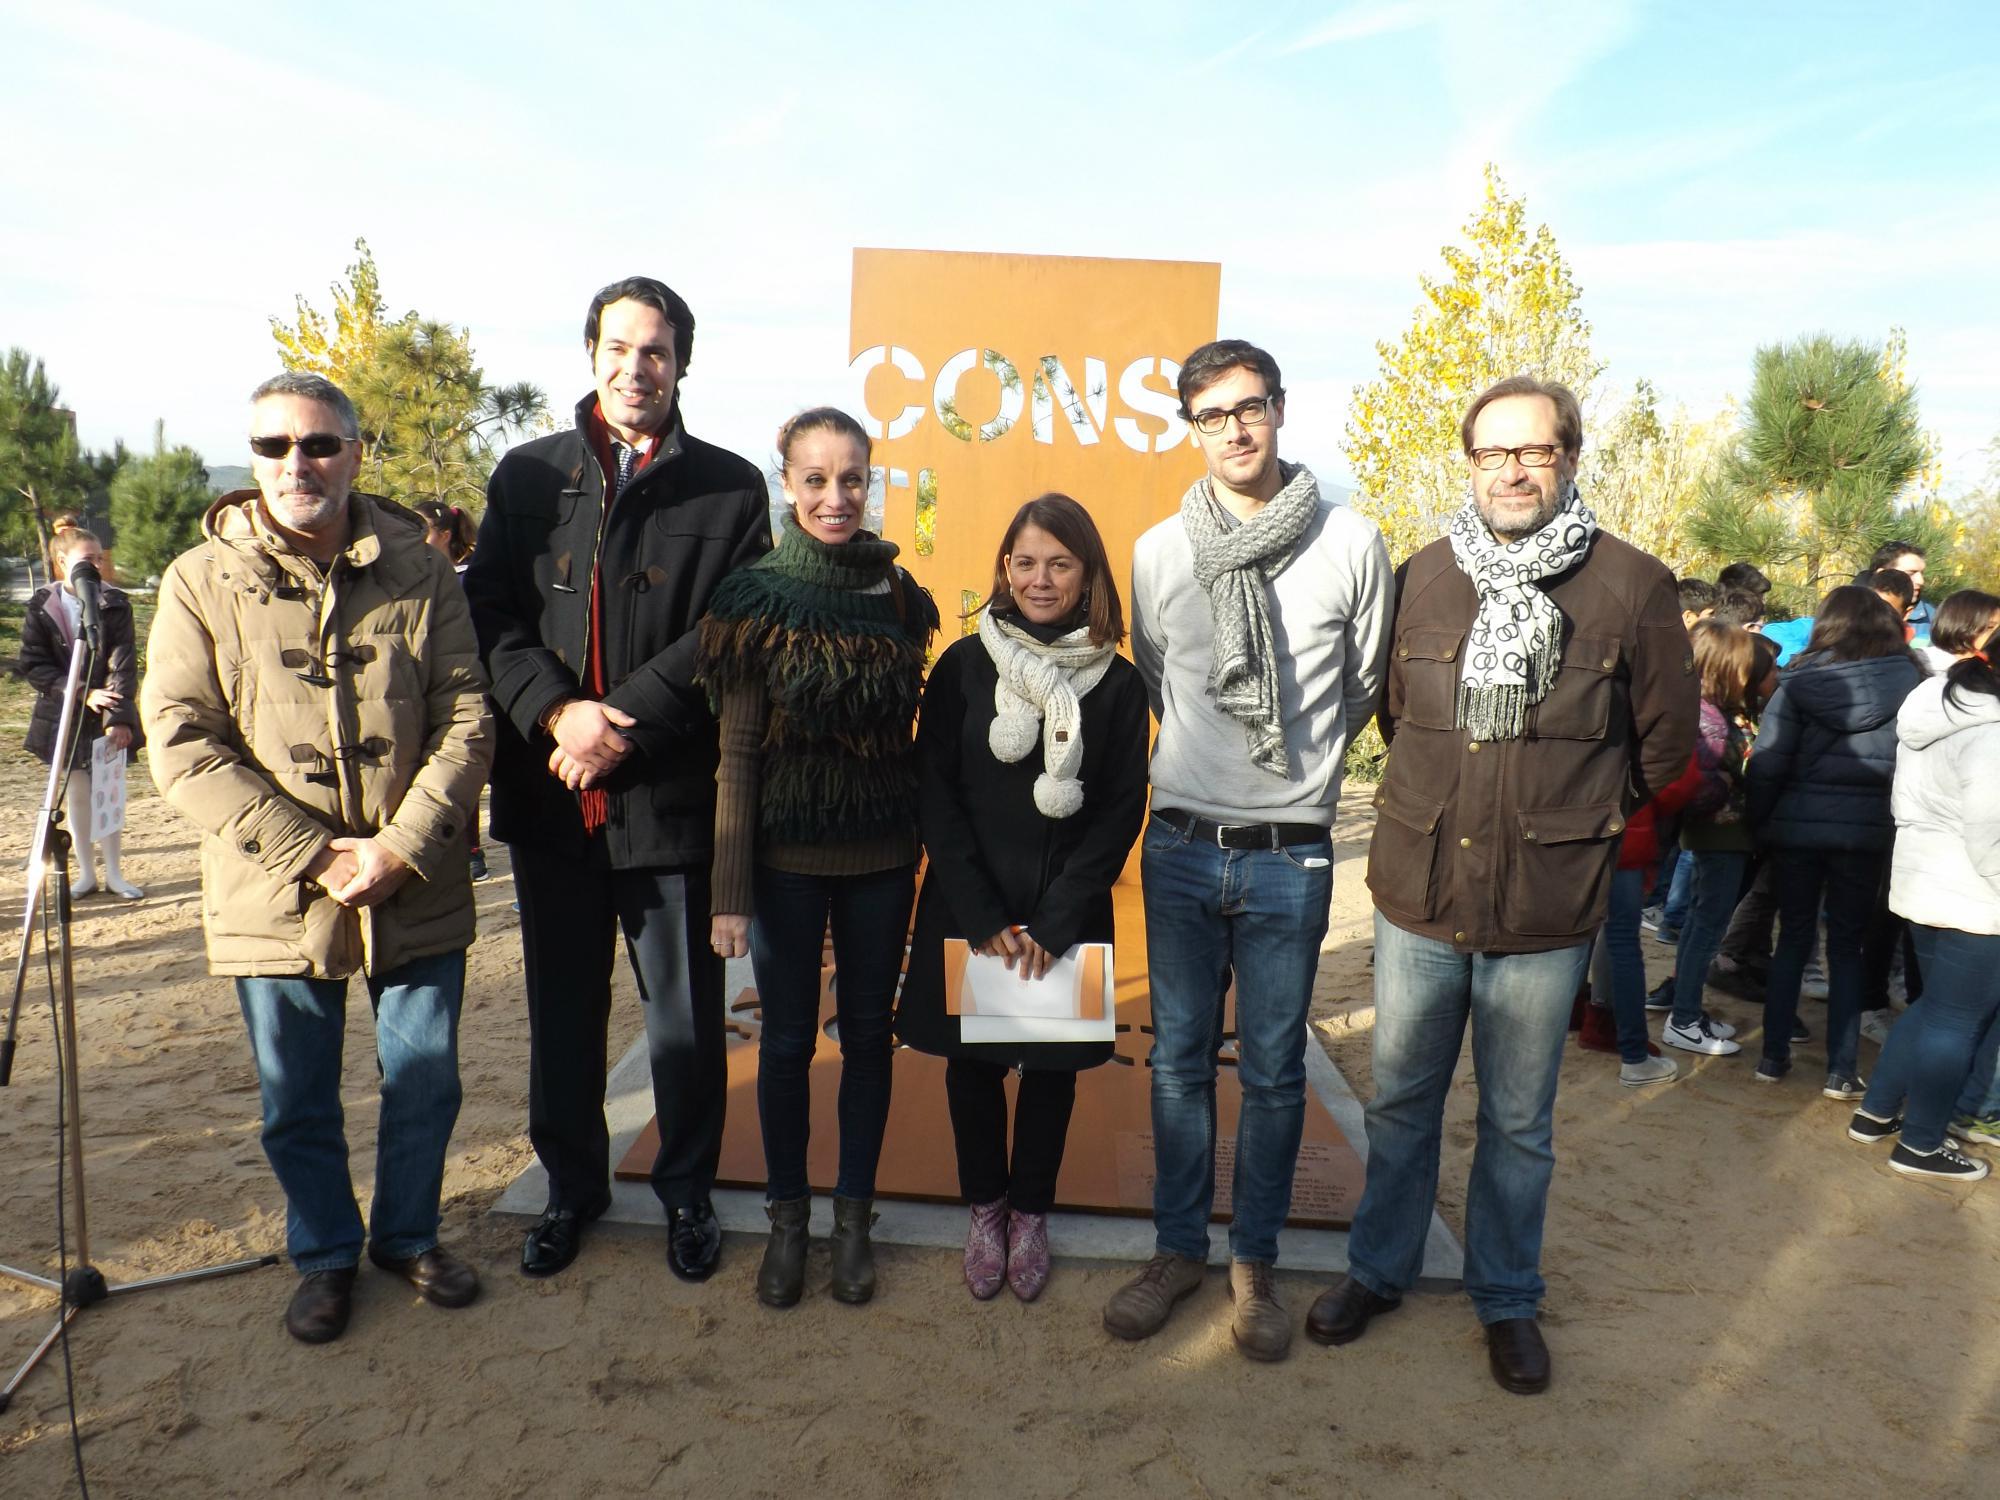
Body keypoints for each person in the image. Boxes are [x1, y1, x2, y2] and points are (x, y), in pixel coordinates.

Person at [1309, 375, 1697, 1395]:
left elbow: (1660, 749)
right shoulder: (1424, 578)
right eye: (1491, 453)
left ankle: (1505, 1298)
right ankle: (1377, 1271)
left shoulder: (1631, 587)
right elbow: (1400, 716)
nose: (1511, 470)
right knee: (1401, 1104)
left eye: (1532, 451)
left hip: (1544, 901)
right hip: (1421, 893)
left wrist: (1578, 816)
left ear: (1568, 455)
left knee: (1518, 1124)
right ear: (1469, 463)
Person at [139, 372, 493, 1343]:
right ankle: (327, 1253)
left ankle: (408, 1235)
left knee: (425, 1079)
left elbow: (467, 712)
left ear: (355, 453)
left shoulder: (420, 567)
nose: (298, 463)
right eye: (274, 447)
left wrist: (402, 845)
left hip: (413, 880)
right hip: (272, 891)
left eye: (320, 444)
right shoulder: (195, 581)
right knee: (296, 1095)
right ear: (253, 460)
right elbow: (178, 741)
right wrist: (314, 851)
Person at [463, 276, 771, 1283]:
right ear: (589, 353)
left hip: (667, 801)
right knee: (561, 1016)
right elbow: (494, 620)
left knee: (684, 1027)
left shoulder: (729, 488)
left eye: (656, 351)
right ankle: (571, 1190)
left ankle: (687, 1198)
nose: (635, 368)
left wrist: (621, 721)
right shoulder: (523, 478)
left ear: (681, 362)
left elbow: (727, 631)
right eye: (618, 348)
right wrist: (562, 716)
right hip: (553, 800)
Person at [1105, 339, 1392, 1363]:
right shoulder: (1155, 550)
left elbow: (1359, 686)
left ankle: (1252, 1263)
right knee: (1178, 1065)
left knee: (1273, 1072)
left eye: (1248, 407)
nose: (1231, 429)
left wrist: (1290, 772)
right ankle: (1176, 1250)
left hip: (1290, 855)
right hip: (1180, 843)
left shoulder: (1350, 541)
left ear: (1278, 409)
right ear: (1188, 427)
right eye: (1209, 414)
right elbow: (1153, 673)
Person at [693, 407, 936, 1308]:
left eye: (852, 480)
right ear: (786, 485)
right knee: (790, 1044)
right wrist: (729, 893)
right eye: (816, 480)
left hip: (880, 862)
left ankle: (853, 1223)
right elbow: (738, 754)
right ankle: (786, 1222)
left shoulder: (901, 597)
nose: (836, 498)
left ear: (871, 483)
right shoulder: (754, 598)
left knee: (871, 1040)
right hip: (785, 868)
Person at [899, 494, 1148, 1303]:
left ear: (1088, 575)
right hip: (971, 909)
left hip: (1059, 915)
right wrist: (977, 915)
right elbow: (933, 790)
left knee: (1049, 1073)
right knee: (972, 1071)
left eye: (1061, 563)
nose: (1042, 580)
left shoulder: (1116, 681)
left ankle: (1031, 1213)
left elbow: (1118, 809)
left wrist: (1056, 919)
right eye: (1026, 562)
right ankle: (986, 1210)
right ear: (1005, 569)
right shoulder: (964, 667)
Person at [1744, 586, 1926, 1096]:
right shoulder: (1912, 686)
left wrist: (1758, 825)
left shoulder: (1797, 682)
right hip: (1868, 833)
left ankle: (1773, 1056)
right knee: (1847, 945)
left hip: (1798, 831)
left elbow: (1768, 763)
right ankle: (1841, 1069)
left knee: (1793, 939)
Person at [1846, 628, 2000, 1180]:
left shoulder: (1940, 706)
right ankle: (1921, 1144)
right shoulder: (1991, 733)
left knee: (1936, 1009)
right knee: (1956, 1022)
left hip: (1926, 884)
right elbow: (1992, 835)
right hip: (1974, 897)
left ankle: (1877, 1111)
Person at [18, 524, 145, 899]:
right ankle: (86, 874)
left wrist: (118, 719)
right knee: (77, 796)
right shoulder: (42, 606)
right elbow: (33, 664)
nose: (96, 566)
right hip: (63, 717)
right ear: (62, 562)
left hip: (107, 718)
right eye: (87, 559)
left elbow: (123, 664)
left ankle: (115, 874)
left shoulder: (115, 603)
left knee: (109, 794)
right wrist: (81, 692)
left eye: (99, 559)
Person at [1660, 621, 1764, 1059]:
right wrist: (1738, 779)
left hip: (1725, 833)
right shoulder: (1708, 719)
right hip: (1719, 833)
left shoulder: (1719, 711)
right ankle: (1682, 1020)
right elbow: (1700, 789)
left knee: (1705, 925)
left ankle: (1688, 1010)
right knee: (1707, 926)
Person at [413, 500, 488, 880]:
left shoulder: (471, 578)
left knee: (463, 762)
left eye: (423, 532)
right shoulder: (412, 578)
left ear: (444, 534)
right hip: (426, 687)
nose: (416, 541)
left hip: (472, 685)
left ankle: (471, 850)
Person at [1868, 539, 1932, 644]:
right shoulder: (1848, 612)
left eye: (1922, 573)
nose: (1921, 581)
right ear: (1881, 574)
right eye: (1911, 573)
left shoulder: (1932, 619)